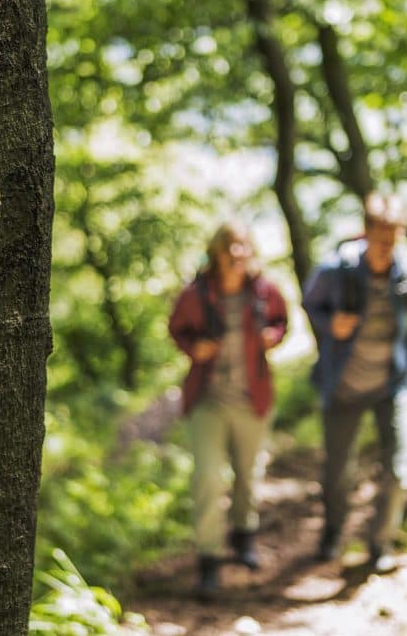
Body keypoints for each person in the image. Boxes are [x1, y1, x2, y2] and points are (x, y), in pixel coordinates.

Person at [302, 192, 407, 571]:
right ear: (365, 233)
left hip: (392, 384)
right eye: (380, 239)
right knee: (338, 472)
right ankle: (333, 533)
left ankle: (379, 544)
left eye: (394, 239)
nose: (387, 249)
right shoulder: (337, 269)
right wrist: (329, 324)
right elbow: (310, 303)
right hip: (343, 386)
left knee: (400, 469)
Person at [168, 221, 288, 599]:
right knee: (207, 476)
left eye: (244, 246)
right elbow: (177, 329)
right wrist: (194, 348)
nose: (238, 254)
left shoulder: (265, 291)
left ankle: (244, 536)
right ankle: (209, 558)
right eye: (230, 247)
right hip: (208, 400)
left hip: (253, 399)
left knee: (247, 475)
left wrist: (274, 336)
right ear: (217, 252)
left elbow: (283, 321)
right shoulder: (195, 294)